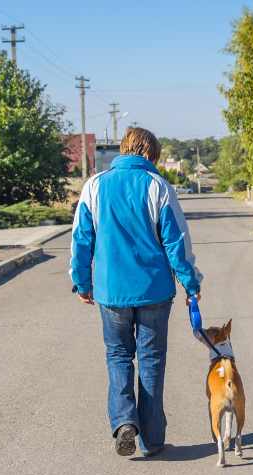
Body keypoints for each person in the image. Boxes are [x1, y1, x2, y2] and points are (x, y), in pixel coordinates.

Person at [69, 127, 202, 457]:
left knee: (117, 356)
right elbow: (176, 242)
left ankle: (124, 421)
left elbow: (81, 239)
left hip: (111, 291)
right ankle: (152, 439)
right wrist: (191, 283)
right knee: (152, 361)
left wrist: (82, 282)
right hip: (154, 290)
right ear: (147, 153)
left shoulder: (95, 186)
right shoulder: (158, 186)